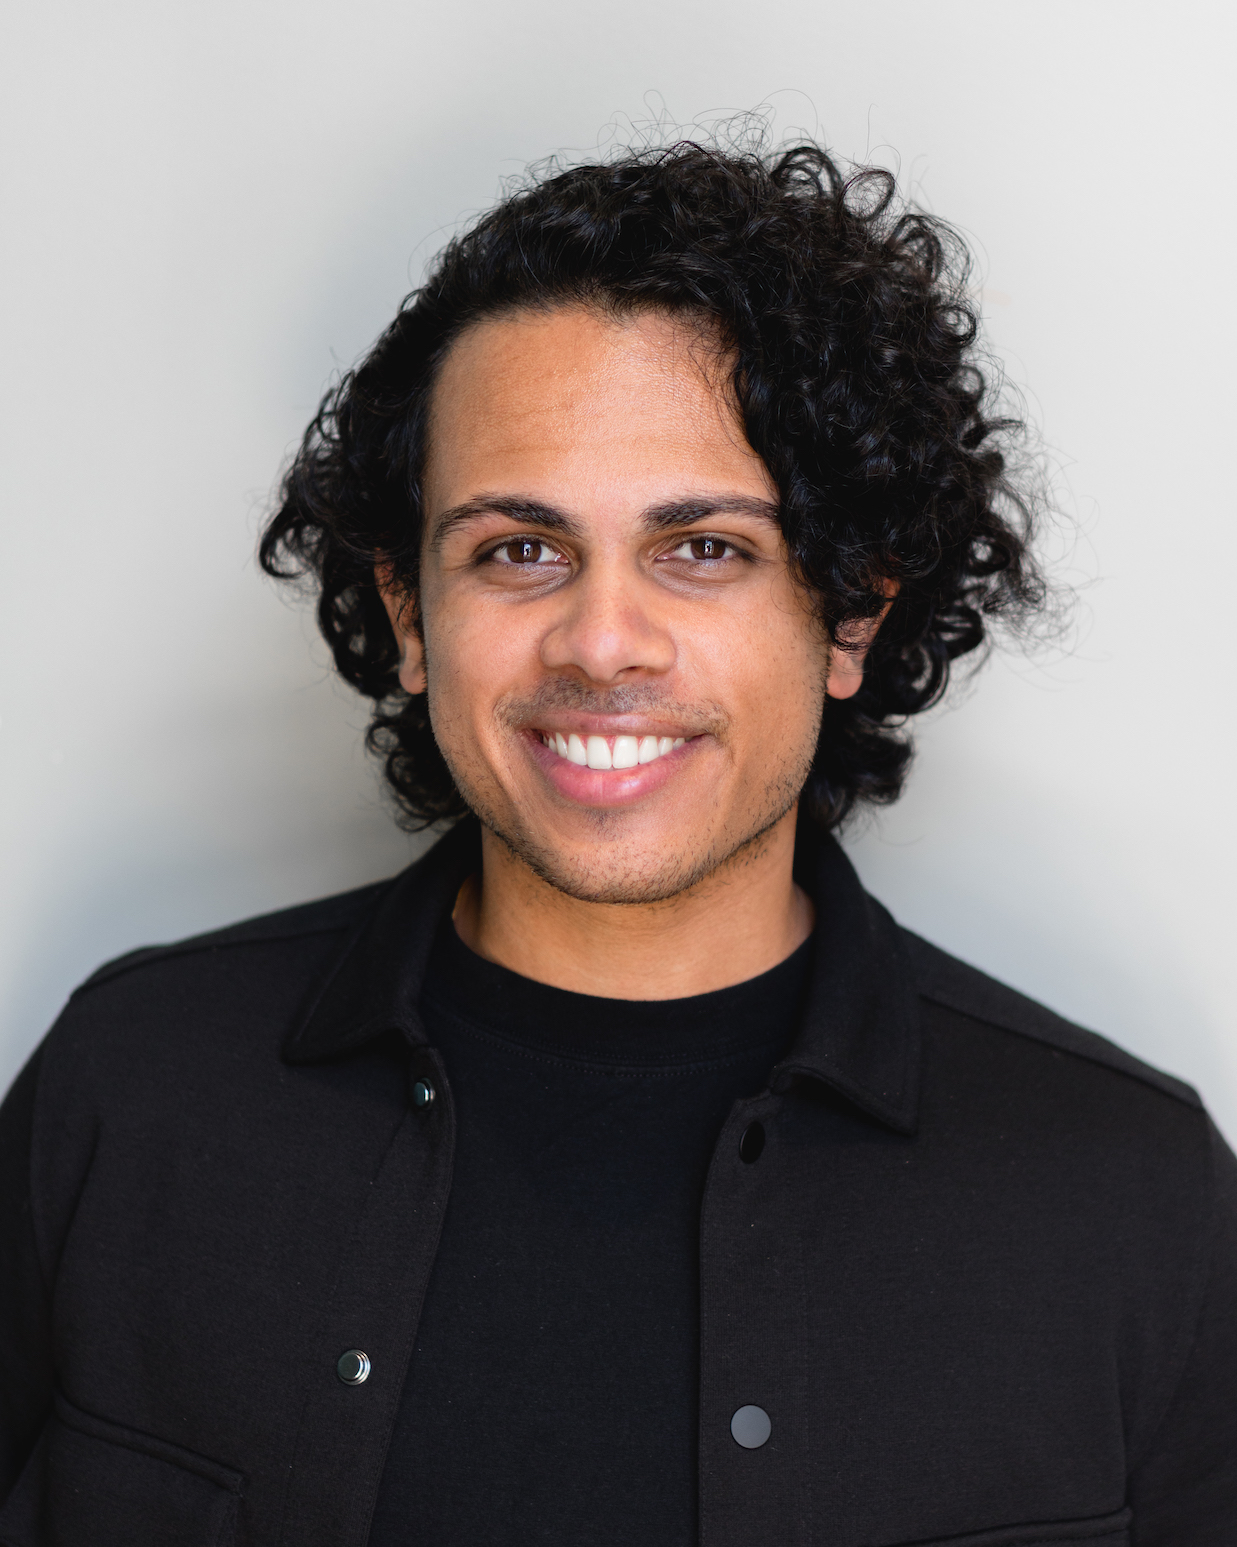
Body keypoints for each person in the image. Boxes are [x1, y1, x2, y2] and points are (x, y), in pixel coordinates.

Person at [0, 140, 1232, 1547]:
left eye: (703, 548)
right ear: (410, 614)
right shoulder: (129, 1089)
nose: (600, 642)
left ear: (848, 616)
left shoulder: (1132, 1197)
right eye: (518, 549)